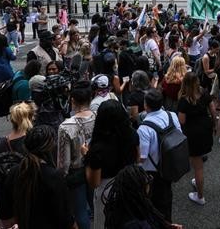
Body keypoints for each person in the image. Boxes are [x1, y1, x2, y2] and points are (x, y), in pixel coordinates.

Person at [0, 125, 77, 229]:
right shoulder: (54, 176)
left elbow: (5, 213)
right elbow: (66, 218)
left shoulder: (14, 172)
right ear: (51, 149)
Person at [85, 100, 140, 228]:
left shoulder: (97, 149)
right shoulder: (132, 134)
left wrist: (87, 157)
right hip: (130, 182)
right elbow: (137, 159)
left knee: (105, 222)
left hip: (107, 189)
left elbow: (94, 182)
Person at [0, 101, 34, 227]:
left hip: (4, 202)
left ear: (11, 120)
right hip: (28, 200)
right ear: (31, 118)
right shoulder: (32, 144)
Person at [137, 89, 182, 221]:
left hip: (152, 171)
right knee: (166, 199)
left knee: (153, 204)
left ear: (146, 105)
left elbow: (142, 157)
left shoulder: (144, 128)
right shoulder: (172, 115)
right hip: (170, 164)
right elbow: (179, 134)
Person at [58, 80, 96, 229]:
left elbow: (63, 163)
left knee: (80, 211)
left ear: (72, 100)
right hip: (95, 166)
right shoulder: (98, 116)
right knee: (96, 205)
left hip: (76, 172)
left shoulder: (66, 126)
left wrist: (61, 178)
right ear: (90, 99)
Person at [177, 72, 216, 205]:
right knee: (199, 161)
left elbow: (181, 121)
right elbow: (212, 109)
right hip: (205, 128)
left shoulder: (184, 99)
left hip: (192, 133)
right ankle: (197, 183)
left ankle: (200, 196)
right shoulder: (204, 92)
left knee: (198, 167)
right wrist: (214, 125)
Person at [103, 164, 183, 229]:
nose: (149, 182)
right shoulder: (135, 224)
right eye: (147, 181)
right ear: (139, 190)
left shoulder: (120, 206)